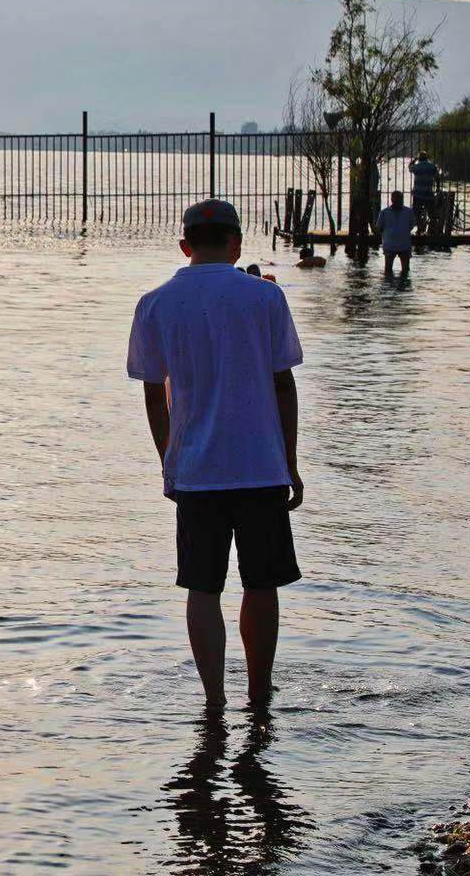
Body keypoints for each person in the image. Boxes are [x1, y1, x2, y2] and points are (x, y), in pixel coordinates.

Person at [127, 199, 304, 708]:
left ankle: (213, 703)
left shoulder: (155, 302)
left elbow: (152, 393)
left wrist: (168, 459)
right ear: (237, 244)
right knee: (261, 583)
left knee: (202, 589)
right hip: (259, 464)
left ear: (184, 246)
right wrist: (289, 460)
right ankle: (259, 693)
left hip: (197, 469)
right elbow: (283, 385)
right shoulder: (264, 298)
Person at [377, 190, 415, 279]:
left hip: (404, 244)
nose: (397, 201)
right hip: (390, 245)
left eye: (399, 199)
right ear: (391, 200)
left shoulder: (409, 212)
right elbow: (379, 227)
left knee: (405, 270)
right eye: (396, 199)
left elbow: (412, 225)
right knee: (388, 270)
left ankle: (403, 286)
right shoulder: (384, 212)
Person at [409, 151, 439, 233]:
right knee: (431, 213)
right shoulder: (432, 166)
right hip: (429, 193)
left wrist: (414, 160)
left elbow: (410, 167)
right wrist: (438, 188)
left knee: (416, 212)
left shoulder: (417, 167)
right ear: (427, 158)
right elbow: (437, 177)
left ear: (419, 158)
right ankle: (432, 229)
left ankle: (420, 228)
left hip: (418, 194)